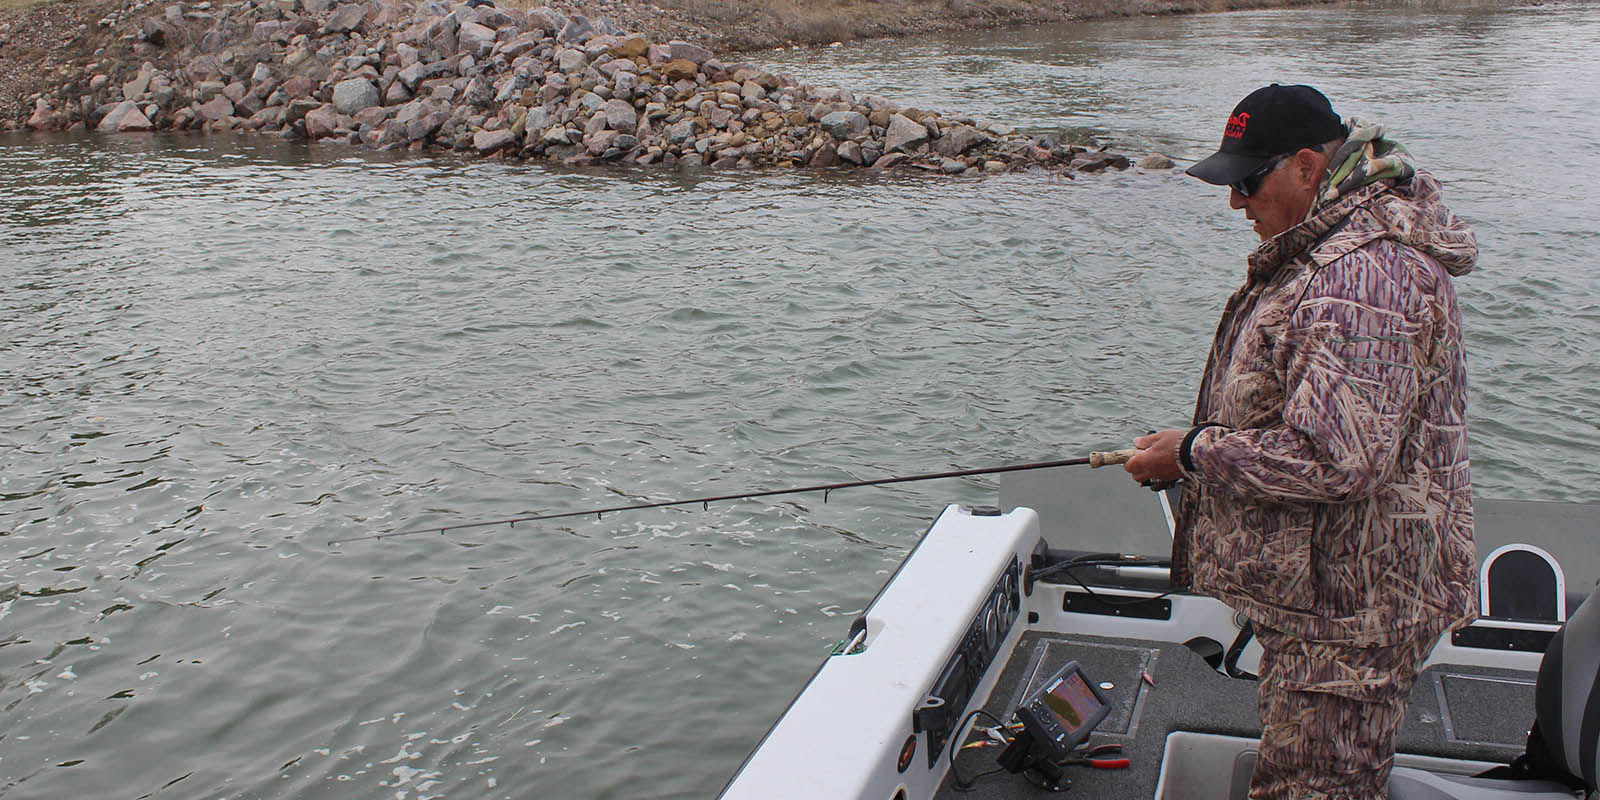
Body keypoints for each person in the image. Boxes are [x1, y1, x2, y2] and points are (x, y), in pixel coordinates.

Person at [1122, 84, 1479, 799]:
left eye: (1248, 181)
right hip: (1330, 599)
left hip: (1349, 616)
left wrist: (1193, 454)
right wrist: (1201, 441)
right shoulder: (1333, 250)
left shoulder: (1361, 277)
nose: (1236, 202)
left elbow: (1338, 458)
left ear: (1308, 168)